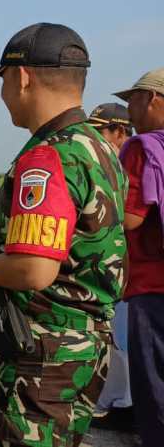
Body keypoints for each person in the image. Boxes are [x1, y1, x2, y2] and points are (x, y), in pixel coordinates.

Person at [0, 23, 126, 447]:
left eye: (3, 81)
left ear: (21, 77)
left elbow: (34, 270)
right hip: (82, 346)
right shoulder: (98, 147)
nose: (3, 95)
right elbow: (71, 243)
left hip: (44, 356)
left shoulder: (47, 156)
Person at [113, 70, 164, 444]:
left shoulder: (142, 148)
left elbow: (128, 217)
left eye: (132, 99)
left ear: (152, 98)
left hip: (153, 288)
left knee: (155, 388)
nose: (128, 109)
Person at [86, 102, 135, 432]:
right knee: (117, 341)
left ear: (119, 132)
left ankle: (126, 406)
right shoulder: (104, 165)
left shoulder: (128, 166)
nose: (92, 137)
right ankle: (118, 402)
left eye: (99, 130)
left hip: (132, 272)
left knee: (126, 342)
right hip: (112, 271)